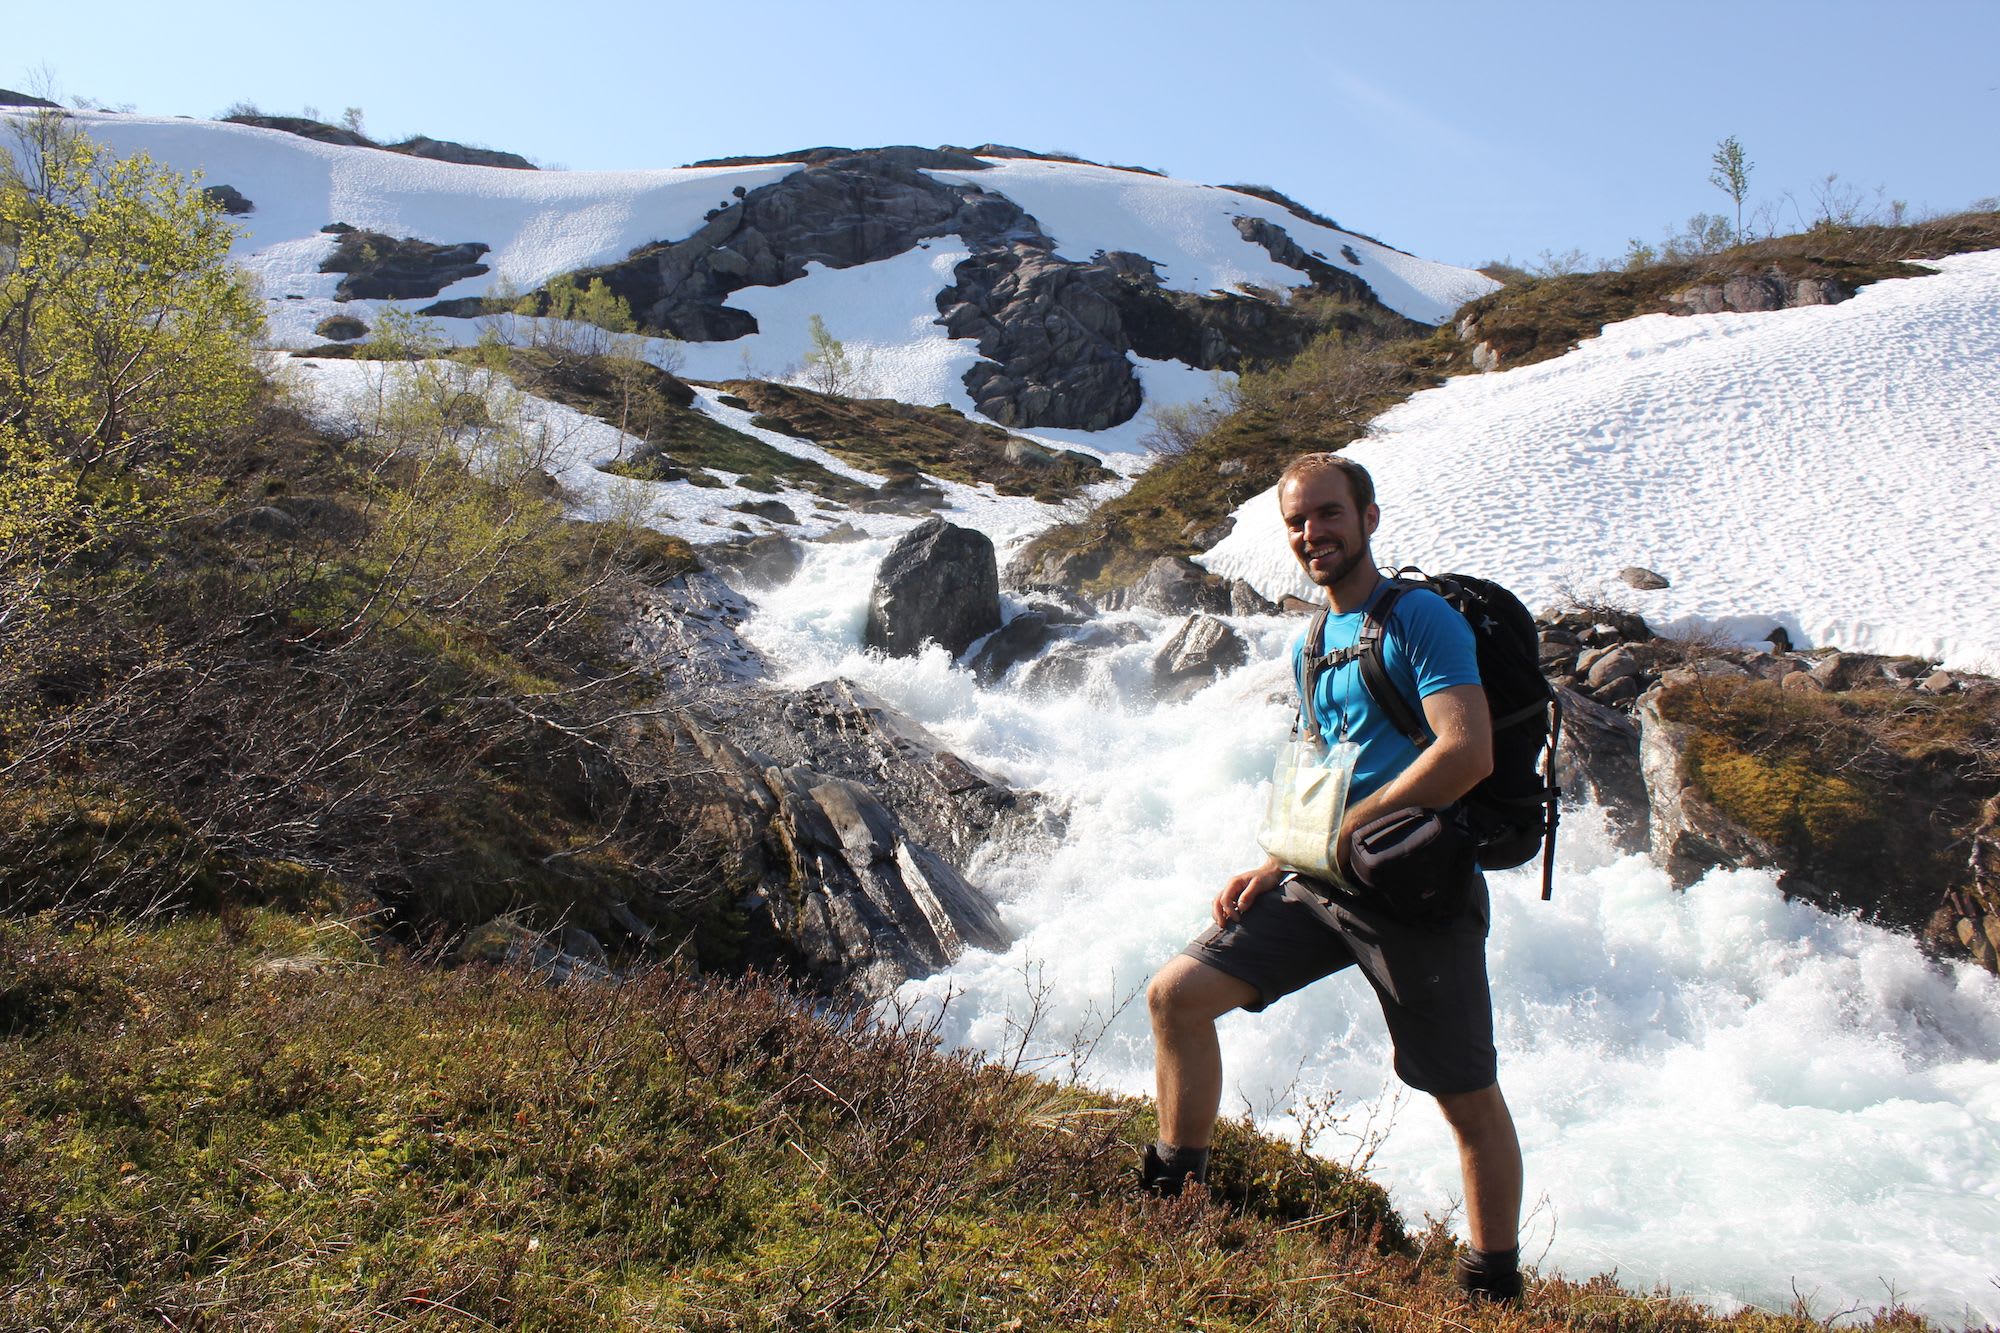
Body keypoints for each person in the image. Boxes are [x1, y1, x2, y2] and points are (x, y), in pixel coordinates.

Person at [1143, 451, 1525, 1303]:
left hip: (1416, 889)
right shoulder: (1310, 642)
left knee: (1465, 1095)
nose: (1313, 533)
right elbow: (1324, 769)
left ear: (1368, 519)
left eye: (1328, 514)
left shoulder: (1421, 620)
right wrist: (1276, 861)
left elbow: (1466, 751)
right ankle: (1174, 1200)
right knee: (1175, 995)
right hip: (1321, 879)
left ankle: (1491, 1289)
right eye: (1297, 521)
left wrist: (1360, 821)